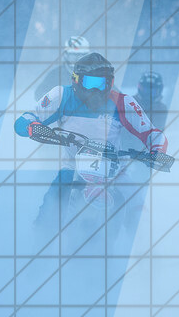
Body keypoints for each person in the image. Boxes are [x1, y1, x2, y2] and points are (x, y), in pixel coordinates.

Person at [15, 52, 168, 226]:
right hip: (72, 166)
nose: (96, 91)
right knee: (51, 207)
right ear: (76, 80)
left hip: (114, 169)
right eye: (90, 83)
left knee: (136, 204)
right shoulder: (61, 95)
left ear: (110, 83)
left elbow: (152, 133)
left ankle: (138, 239)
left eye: (101, 84)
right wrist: (31, 126)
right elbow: (26, 118)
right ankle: (40, 236)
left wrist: (158, 151)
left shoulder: (123, 102)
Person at [34, 35, 92, 102]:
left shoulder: (96, 73)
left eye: (81, 55)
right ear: (66, 55)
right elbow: (39, 94)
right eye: (73, 55)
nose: (77, 58)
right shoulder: (55, 75)